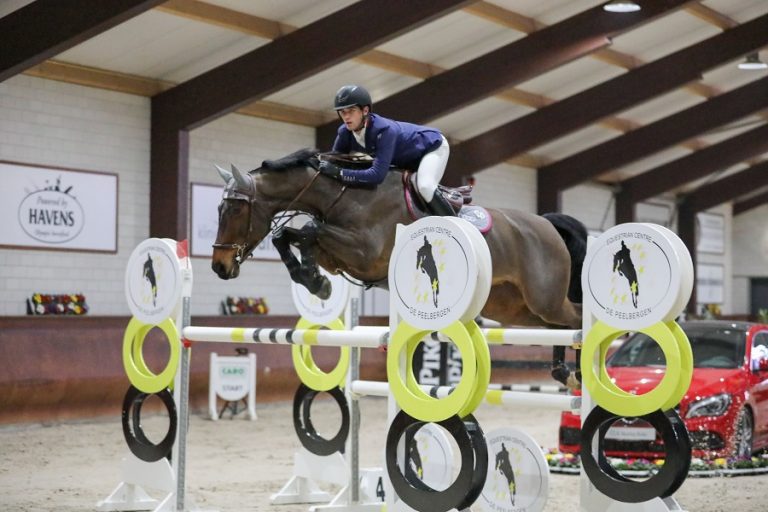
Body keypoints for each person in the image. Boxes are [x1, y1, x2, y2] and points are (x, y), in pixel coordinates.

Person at [318, 84, 455, 216]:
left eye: (351, 111)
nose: (346, 117)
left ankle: (456, 226)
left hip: (432, 147)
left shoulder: (384, 130)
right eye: (343, 112)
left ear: (365, 110)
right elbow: (333, 162)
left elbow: (377, 175)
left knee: (425, 186)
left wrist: (340, 173)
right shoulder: (344, 133)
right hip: (406, 159)